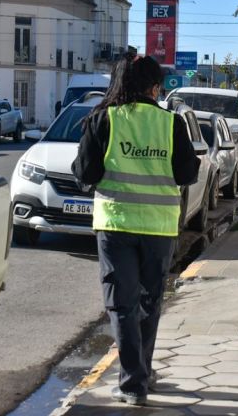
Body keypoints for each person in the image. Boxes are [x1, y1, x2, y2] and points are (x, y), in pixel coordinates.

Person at [72, 55, 200, 406]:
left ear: (120, 84)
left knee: (122, 305)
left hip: (116, 225)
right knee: (148, 303)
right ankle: (141, 372)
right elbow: (187, 174)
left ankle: (132, 384)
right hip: (158, 228)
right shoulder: (170, 123)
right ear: (155, 87)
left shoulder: (103, 119)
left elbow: (85, 173)